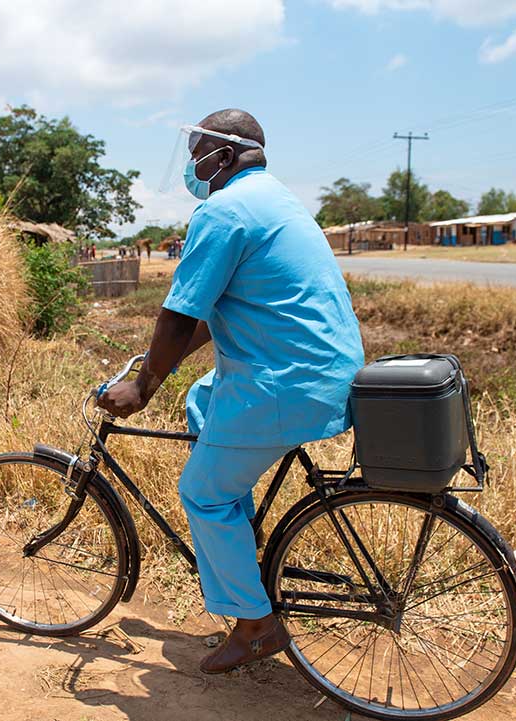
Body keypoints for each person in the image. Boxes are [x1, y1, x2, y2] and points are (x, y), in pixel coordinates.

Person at [97, 109, 364, 674]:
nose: (192, 166)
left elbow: (175, 319)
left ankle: (256, 626)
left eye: (197, 153)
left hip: (283, 384)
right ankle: (238, 534)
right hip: (323, 374)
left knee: (203, 495)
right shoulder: (279, 201)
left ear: (223, 156)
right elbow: (206, 321)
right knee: (201, 397)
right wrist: (157, 373)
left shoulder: (223, 211)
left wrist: (141, 385)